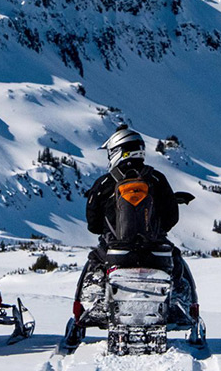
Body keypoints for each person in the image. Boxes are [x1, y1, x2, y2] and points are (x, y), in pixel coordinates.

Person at [66, 125, 198, 343]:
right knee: (179, 265)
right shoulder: (157, 179)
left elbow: (93, 224)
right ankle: (184, 307)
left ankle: (83, 312)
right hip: (157, 254)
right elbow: (171, 218)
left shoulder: (105, 183)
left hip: (115, 254)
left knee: (92, 265)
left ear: (117, 151)